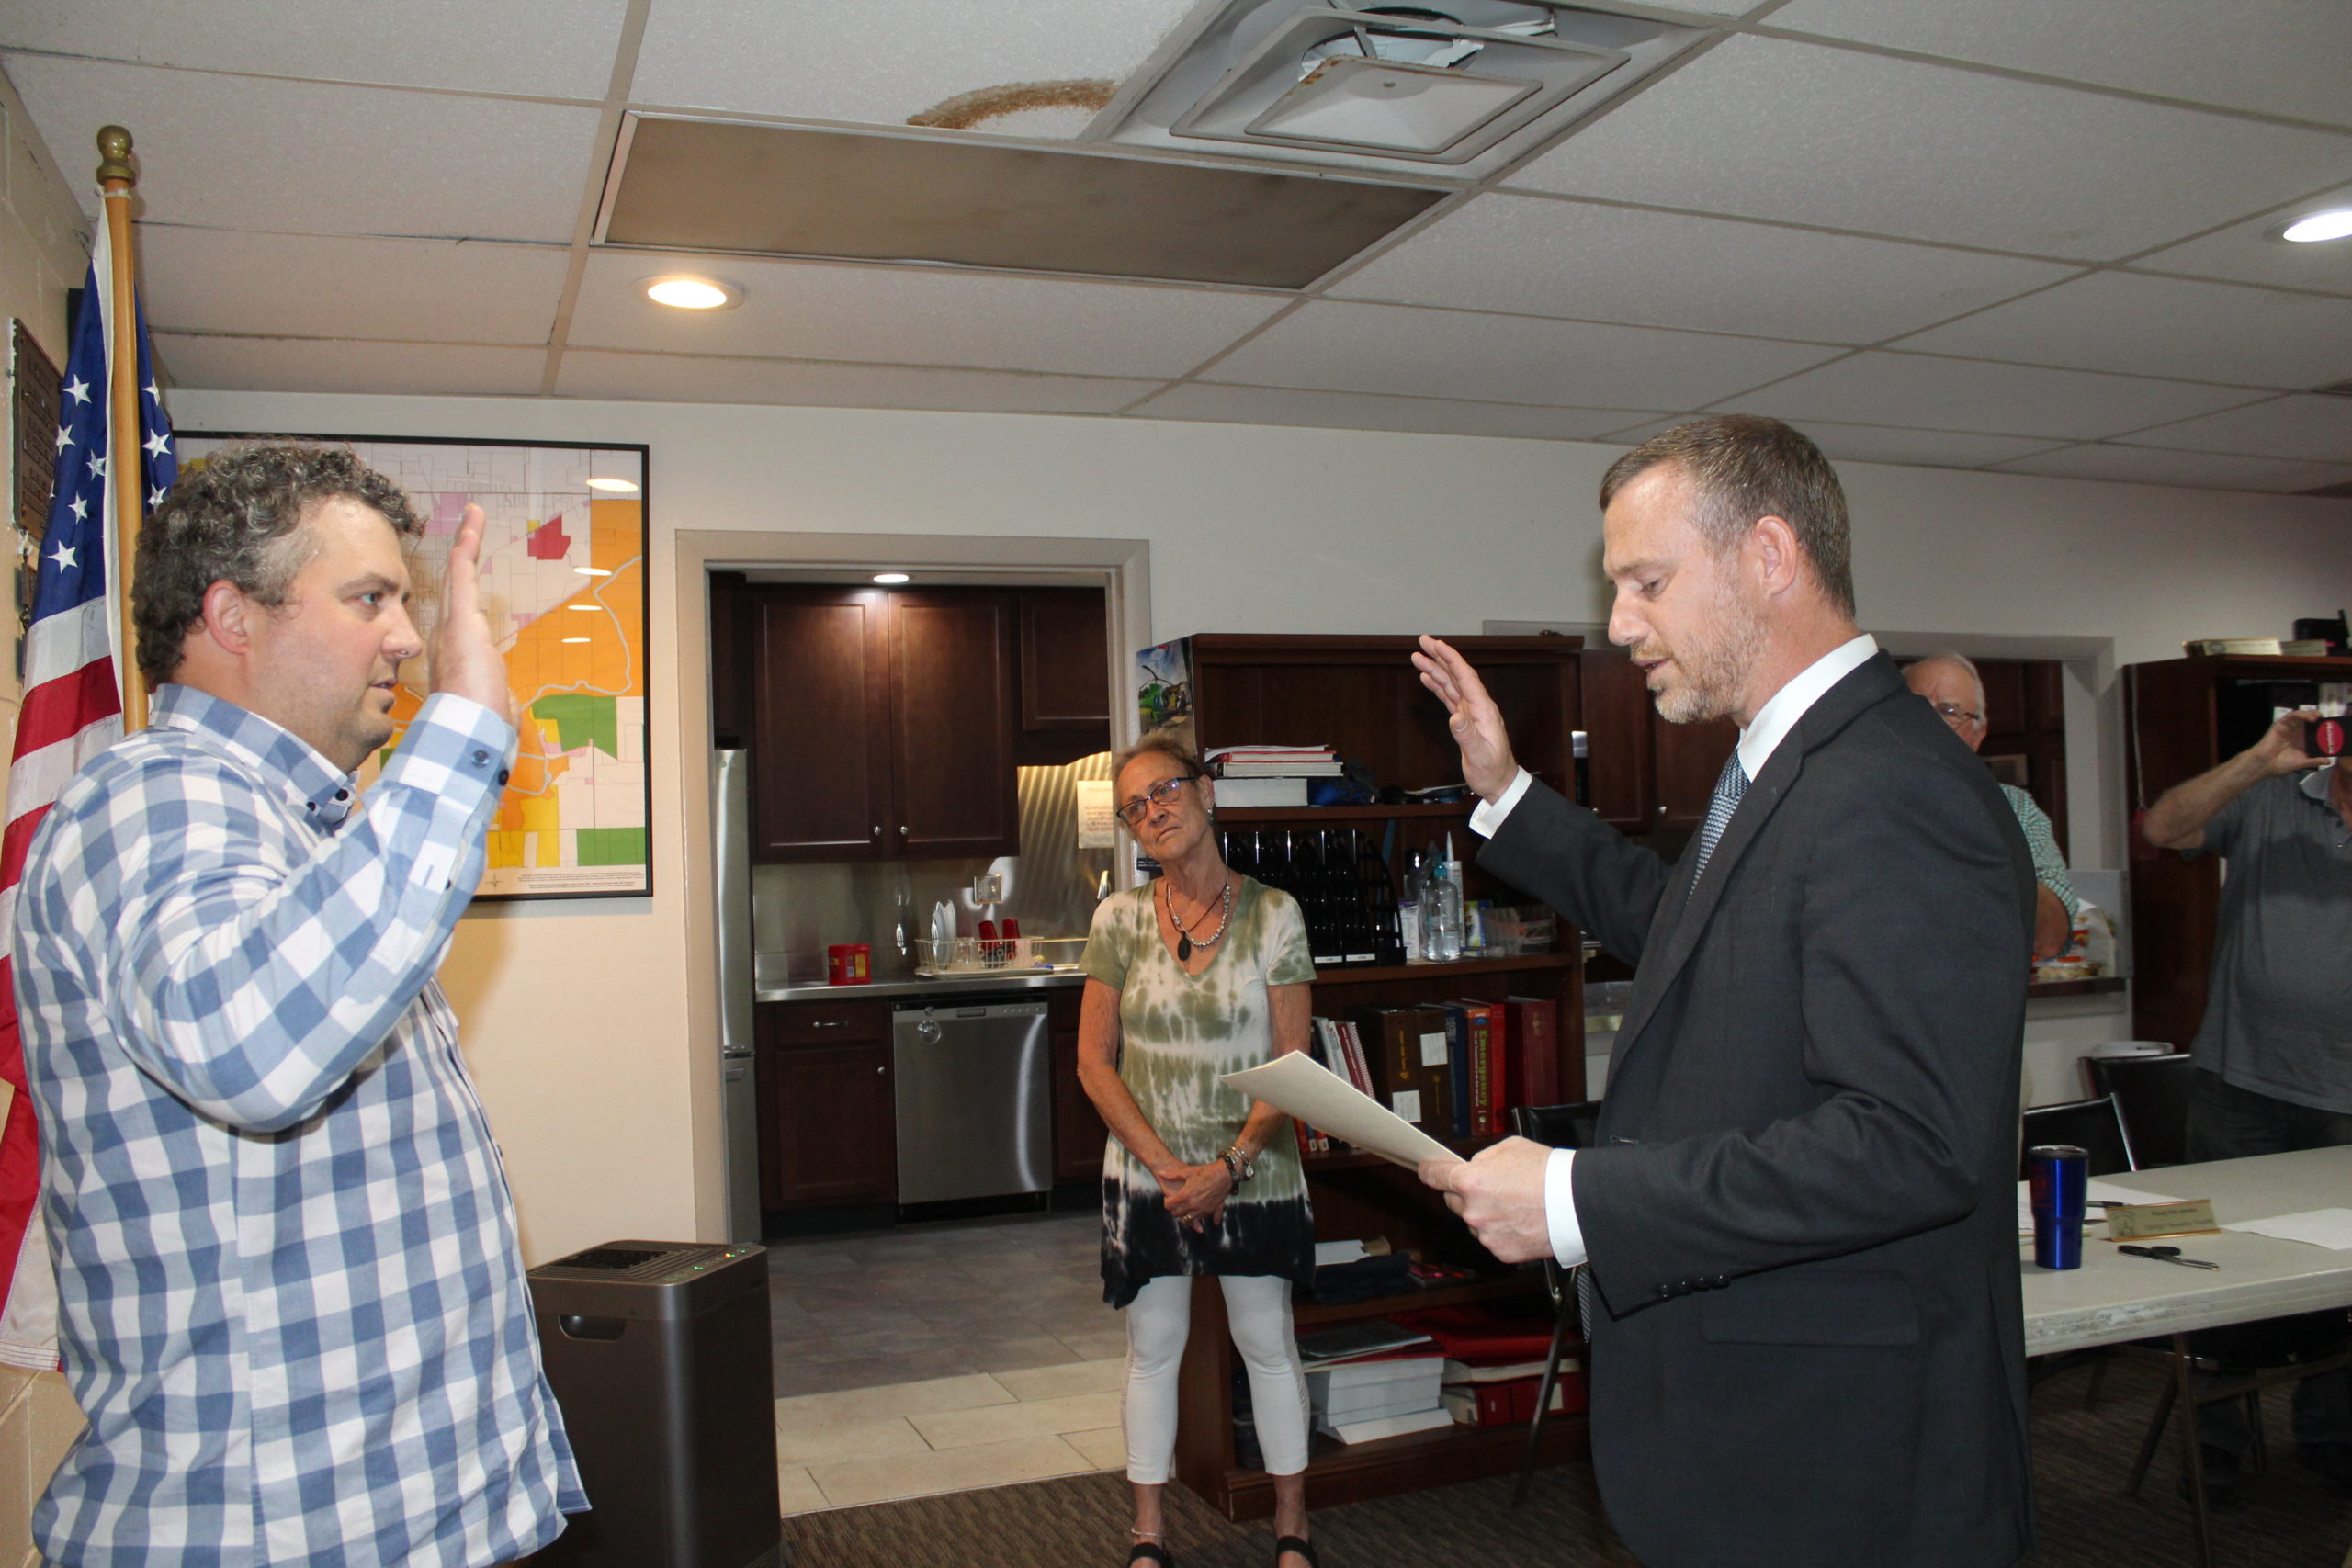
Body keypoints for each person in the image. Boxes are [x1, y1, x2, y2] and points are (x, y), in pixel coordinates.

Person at [1411, 415, 2037, 1568]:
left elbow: (1910, 1144)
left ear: (1767, 555)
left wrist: (1579, 1200)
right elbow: (1685, 932)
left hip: (1840, 1462)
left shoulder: (1891, 788)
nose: (1618, 623)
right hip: (1762, 1433)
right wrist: (1508, 795)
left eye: (1647, 582)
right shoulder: (1788, 766)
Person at [11, 445, 583, 1566]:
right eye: (369, 599)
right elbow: (248, 1047)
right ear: (232, 616)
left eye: (404, 603)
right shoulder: (151, 800)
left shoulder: (298, 832)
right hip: (278, 1533)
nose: (407, 637)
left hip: (389, 1520)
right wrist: (464, 725)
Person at [1078, 735, 1319, 1568]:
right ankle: (1148, 1535)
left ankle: (1292, 1528)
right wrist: (1166, 1167)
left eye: (1166, 790)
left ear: (1207, 793)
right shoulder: (1117, 919)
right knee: (1154, 1350)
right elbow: (1094, 1062)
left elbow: (1293, 1065)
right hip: (1151, 1175)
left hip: (1254, 1169)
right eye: (1134, 806)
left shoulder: (1277, 914)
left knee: (1267, 1342)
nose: (1153, 811)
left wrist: (1230, 1166)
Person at [2142, 705, 2352, 1501]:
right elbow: (2162, 827)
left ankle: (2330, 1432)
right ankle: (2217, 1440)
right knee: (2223, 1260)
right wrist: (2262, 757)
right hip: (2242, 1081)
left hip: (2345, 1093)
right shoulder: (2271, 796)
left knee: (2340, 1274)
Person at [1903, 652, 2078, 960]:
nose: (1929, 722)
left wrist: (1979, 854)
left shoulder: (2015, 809)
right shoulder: (1850, 800)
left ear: (1978, 734)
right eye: (1915, 708)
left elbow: (2049, 938)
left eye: (1949, 711)